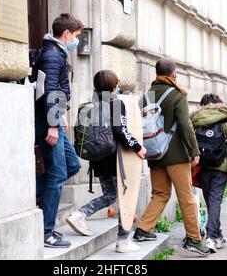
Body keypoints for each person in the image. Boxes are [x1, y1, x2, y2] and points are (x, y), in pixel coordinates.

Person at [133, 58, 210, 256]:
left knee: (160, 193)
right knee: (186, 197)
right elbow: (185, 125)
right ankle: (194, 238)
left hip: (154, 153)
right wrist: (194, 151)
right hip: (176, 155)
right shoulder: (177, 94)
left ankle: (143, 229)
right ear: (174, 73)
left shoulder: (146, 96)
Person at [66, 70, 147, 253]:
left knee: (111, 195)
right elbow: (121, 131)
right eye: (117, 83)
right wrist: (138, 147)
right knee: (124, 196)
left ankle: (80, 214)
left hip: (97, 158)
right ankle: (123, 240)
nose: (118, 86)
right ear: (113, 85)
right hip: (115, 158)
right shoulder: (115, 103)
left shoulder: (90, 104)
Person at [35, 14, 84, 248]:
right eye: (76, 36)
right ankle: (46, 232)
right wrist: (53, 123)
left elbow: (53, 88)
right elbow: (51, 89)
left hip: (53, 118)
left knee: (72, 165)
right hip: (47, 122)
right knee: (56, 174)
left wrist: (61, 114)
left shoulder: (56, 53)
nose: (76, 41)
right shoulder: (53, 55)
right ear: (66, 34)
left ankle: (35, 192)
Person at [190, 94, 227, 253]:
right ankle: (211, 237)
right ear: (219, 104)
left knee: (211, 201)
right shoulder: (226, 122)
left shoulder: (196, 121)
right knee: (215, 201)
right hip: (220, 168)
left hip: (202, 166)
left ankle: (218, 235)